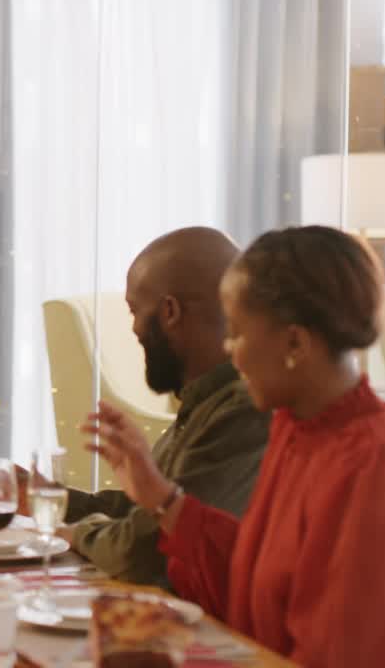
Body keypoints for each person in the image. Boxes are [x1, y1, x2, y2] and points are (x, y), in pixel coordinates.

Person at [86, 225, 385, 665]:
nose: (231, 351)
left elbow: (335, 649)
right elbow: (252, 585)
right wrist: (161, 499)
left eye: (238, 333)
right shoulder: (295, 429)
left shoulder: (372, 461)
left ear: (295, 343)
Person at [53, 227, 269, 587]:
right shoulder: (205, 402)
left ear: (170, 311)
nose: (135, 329)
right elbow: (145, 514)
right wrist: (54, 498)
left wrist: (74, 534)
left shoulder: (241, 412)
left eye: (135, 310)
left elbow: (140, 553)